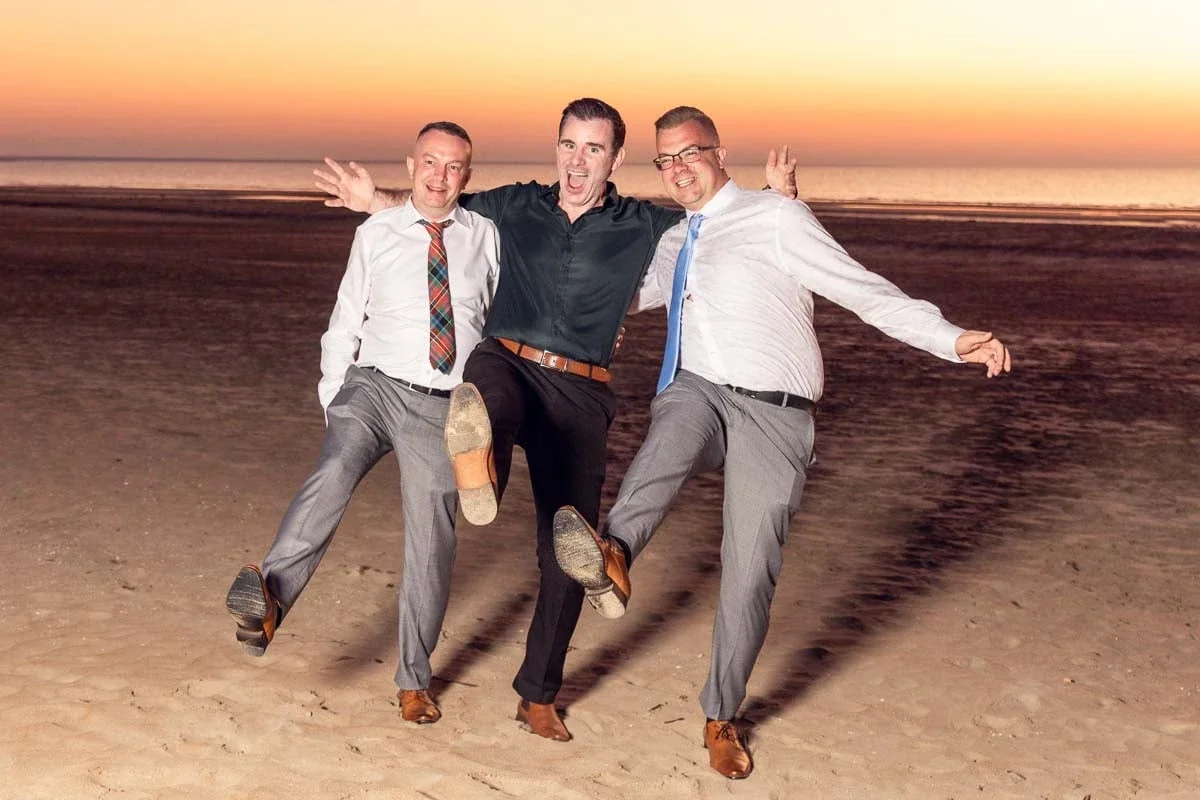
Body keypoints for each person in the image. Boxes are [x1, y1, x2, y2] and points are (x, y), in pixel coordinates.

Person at [314, 98, 799, 741]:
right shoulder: (514, 206)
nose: (578, 159)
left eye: (593, 148)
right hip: (507, 361)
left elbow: (719, 229)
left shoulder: (644, 224)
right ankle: (480, 464)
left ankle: (537, 695)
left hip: (582, 393)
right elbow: (438, 211)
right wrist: (374, 196)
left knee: (569, 550)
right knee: (488, 402)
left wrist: (778, 200)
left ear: (616, 159)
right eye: (569, 144)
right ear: (557, 146)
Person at [551, 106, 1012, 778]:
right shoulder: (676, 239)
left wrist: (952, 339)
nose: (678, 168)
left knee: (751, 568)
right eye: (665, 159)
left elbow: (864, 291)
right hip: (701, 389)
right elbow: (618, 293)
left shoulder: (777, 219)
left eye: (690, 152)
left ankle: (720, 716)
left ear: (718, 152)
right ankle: (614, 550)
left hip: (776, 412)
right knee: (672, 424)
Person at [224, 122, 500, 727]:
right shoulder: (376, 232)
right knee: (333, 469)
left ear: (468, 177)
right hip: (373, 387)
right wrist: (335, 398)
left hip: (440, 404)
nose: (440, 176)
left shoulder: (487, 237)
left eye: (454, 167)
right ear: (411, 165)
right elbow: (344, 320)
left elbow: (502, 321)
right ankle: (267, 603)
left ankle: (414, 682)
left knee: (434, 543)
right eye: (430, 162)